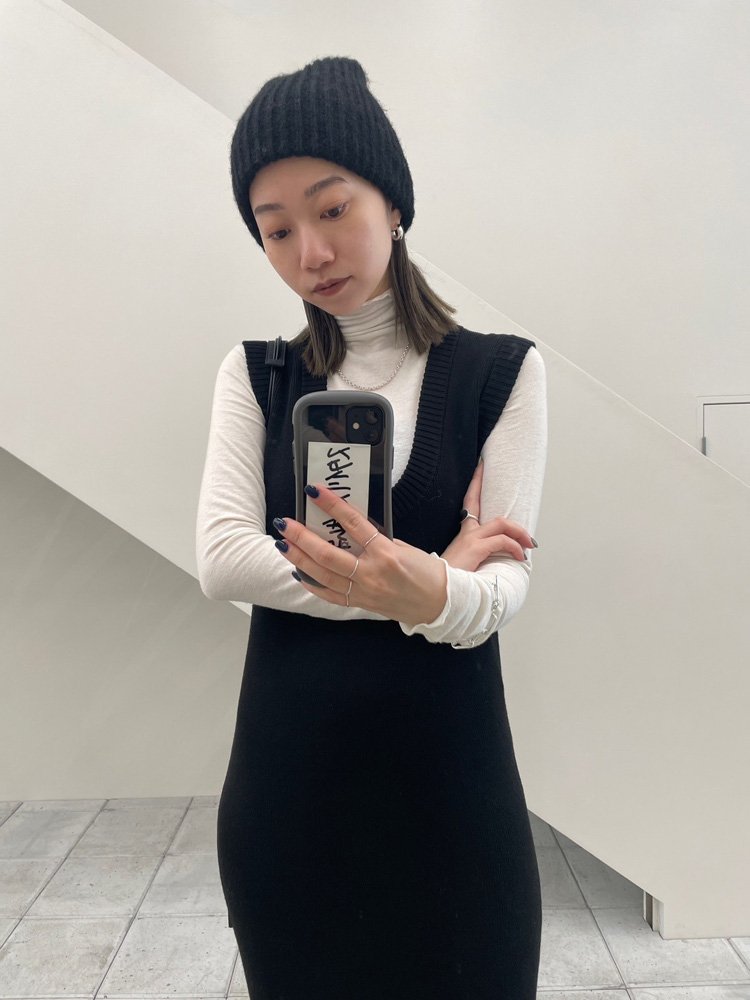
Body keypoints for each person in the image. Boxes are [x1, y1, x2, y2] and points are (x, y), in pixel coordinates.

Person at [196, 55, 547, 1000]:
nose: (310, 252)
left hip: (456, 803)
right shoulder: (258, 376)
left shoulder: (503, 374)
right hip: (290, 803)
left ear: (392, 201)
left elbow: (505, 584)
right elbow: (223, 560)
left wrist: (444, 592)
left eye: (332, 208)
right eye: (276, 229)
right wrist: (425, 588)